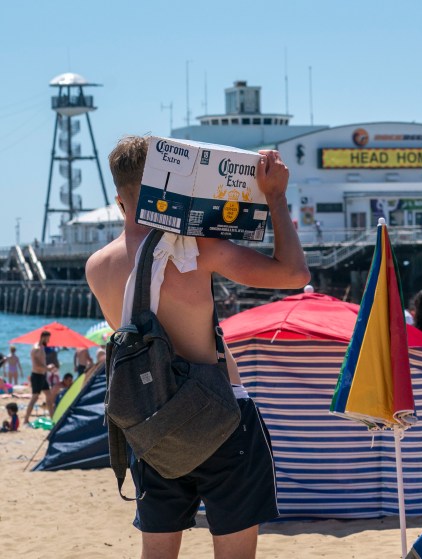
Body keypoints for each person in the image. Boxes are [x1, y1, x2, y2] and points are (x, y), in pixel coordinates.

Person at [86, 136, 309, 559]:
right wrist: (276, 198)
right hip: (222, 418)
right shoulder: (195, 247)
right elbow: (294, 273)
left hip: (152, 422)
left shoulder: (97, 266)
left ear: (119, 200)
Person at [23, 331, 53, 424]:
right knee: (35, 397)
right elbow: (36, 364)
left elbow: (41, 362)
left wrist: (47, 367)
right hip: (37, 376)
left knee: (49, 395)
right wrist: (47, 368)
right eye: (48, 338)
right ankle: (26, 420)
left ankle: (52, 417)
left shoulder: (42, 347)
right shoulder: (36, 348)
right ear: (43, 337)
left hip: (42, 375)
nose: (49, 340)